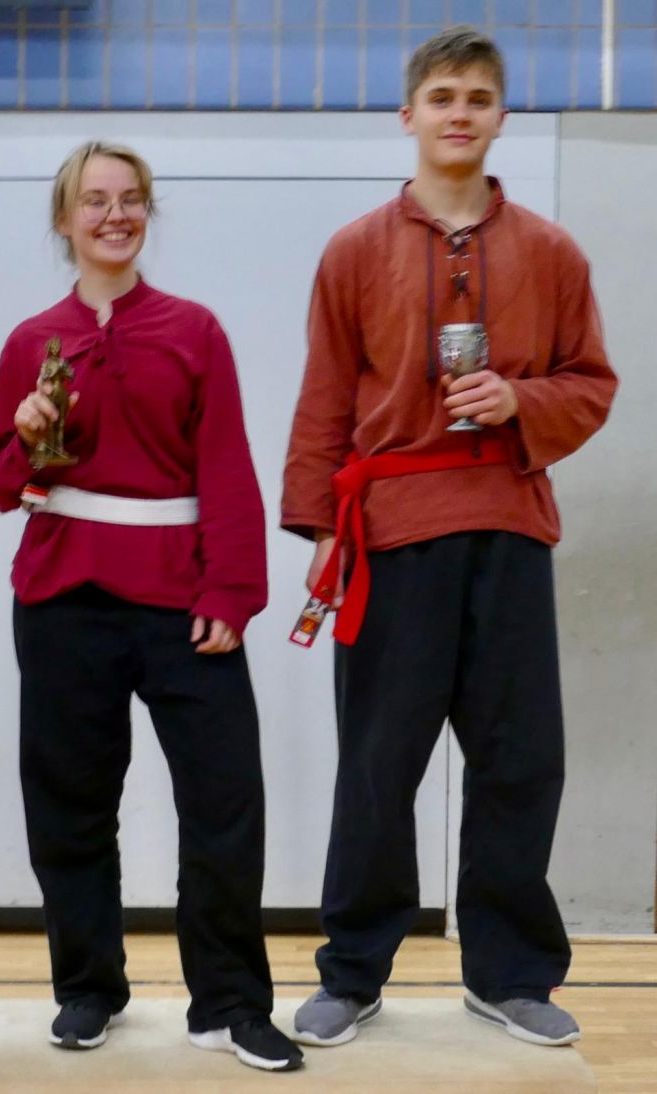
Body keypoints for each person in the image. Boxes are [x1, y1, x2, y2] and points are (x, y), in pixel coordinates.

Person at [281, 27, 617, 1050]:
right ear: (409, 116)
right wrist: (317, 527)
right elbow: (324, 397)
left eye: (476, 97)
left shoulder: (551, 253)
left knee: (519, 760)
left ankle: (509, 974)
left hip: (507, 526)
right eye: (441, 97)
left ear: (500, 116)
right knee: (378, 763)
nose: (458, 113)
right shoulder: (353, 250)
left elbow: (590, 383)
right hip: (390, 535)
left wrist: (520, 399)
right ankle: (351, 970)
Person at [0, 141, 302, 1073]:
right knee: (70, 806)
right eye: (95, 200)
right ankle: (88, 989)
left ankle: (229, 1002)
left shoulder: (194, 332)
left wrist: (232, 590)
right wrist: (24, 435)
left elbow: (227, 467)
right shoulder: (30, 343)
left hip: (182, 599)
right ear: (65, 219)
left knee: (224, 800)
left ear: (147, 213)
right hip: (63, 599)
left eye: (130, 199)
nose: (114, 215)